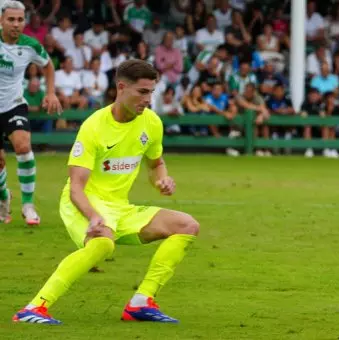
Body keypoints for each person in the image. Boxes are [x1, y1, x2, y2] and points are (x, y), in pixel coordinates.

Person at [12, 60, 200, 324]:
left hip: (119, 207)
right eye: (142, 92)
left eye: (151, 92)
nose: (148, 99)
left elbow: (156, 164)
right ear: (121, 88)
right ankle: (34, 308)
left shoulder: (152, 123)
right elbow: (76, 188)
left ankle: (141, 302)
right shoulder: (94, 127)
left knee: (186, 225)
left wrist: (162, 180)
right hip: (82, 203)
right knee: (102, 243)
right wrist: (92, 215)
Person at [0, 1, 62, 225]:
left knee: (23, 146)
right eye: (11, 19)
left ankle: (28, 205)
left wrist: (51, 92)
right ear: (1, 21)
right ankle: (4, 196)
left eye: (20, 19)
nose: (16, 24)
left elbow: (48, 66)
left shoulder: (30, 46)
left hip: (13, 104)